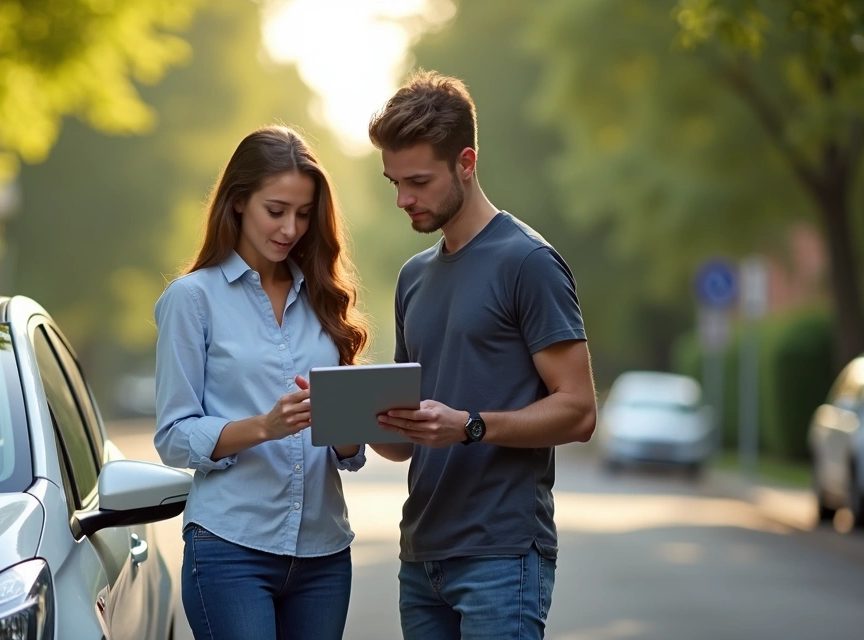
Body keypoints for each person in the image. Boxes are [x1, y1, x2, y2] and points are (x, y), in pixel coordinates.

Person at [366, 71, 598, 640]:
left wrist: (470, 426)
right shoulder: (412, 278)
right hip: (421, 556)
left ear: (466, 162)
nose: (404, 199)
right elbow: (403, 444)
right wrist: (351, 413)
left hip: (502, 553)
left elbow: (580, 410)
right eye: (394, 181)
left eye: (418, 181)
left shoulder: (528, 262)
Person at [153, 125, 370, 640]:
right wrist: (263, 427)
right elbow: (173, 435)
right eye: (276, 210)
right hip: (231, 549)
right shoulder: (192, 300)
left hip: (324, 553)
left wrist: (345, 426)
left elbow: (349, 449)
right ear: (237, 203)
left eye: (303, 213)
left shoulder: (324, 298)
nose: (291, 228)